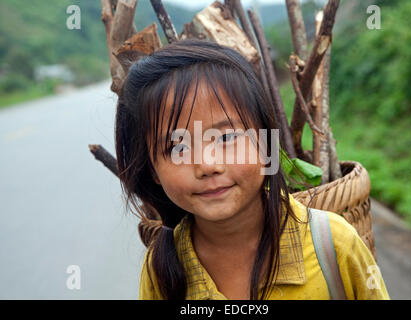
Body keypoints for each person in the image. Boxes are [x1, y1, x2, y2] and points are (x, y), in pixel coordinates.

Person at [114, 39, 390, 300]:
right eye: (178, 147)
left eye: (226, 138)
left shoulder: (332, 245)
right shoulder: (162, 266)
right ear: (152, 169)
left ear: (266, 143)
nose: (208, 165)